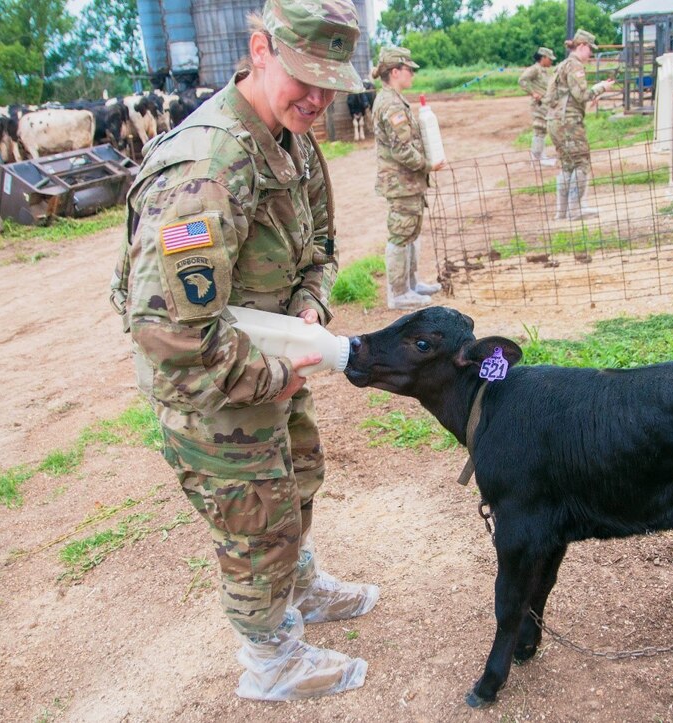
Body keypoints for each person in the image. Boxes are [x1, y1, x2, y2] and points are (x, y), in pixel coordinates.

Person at [109, 0, 378, 702]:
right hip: (214, 385)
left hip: (273, 361)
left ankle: (301, 582)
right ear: (259, 50)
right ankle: (271, 660)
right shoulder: (207, 164)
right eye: (303, 79)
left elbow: (320, 244)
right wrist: (274, 373)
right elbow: (167, 328)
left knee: (300, 478)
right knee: (256, 519)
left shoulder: (292, 138)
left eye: (330, 84)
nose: (317, 100)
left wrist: (310, 306)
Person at [369, 46, 445, 310]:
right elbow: (401, 149)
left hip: (408, 182)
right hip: (401, 182)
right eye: (408, 69)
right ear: (394, 71)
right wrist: (428, 165)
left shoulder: (394, 99)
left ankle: (411, 285)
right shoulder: (390, 104)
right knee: (401, 235)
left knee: (411, 232)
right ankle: (399, 293)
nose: (412, 73)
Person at [543, 29, 613, 220]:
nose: (591, 54)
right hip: (569, 123)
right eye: (590, 49)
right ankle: (576, 210)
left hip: (555, 121)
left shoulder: (563, 65)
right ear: (582, 46)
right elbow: (581, 95)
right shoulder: (575, 66)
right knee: (581, 162)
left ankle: (563, 212)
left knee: (567, 165)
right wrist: (601, 88)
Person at [517, 46, 557, 166]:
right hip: (539, 105)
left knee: (543, 130)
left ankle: (540, 157)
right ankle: (538, 159)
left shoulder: (544, 70)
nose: (551, 61)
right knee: (539, 129)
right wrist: (533, 93)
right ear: (543, 58)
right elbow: (522, 80)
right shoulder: (535, 69)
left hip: (546, 104)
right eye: (549, 59)